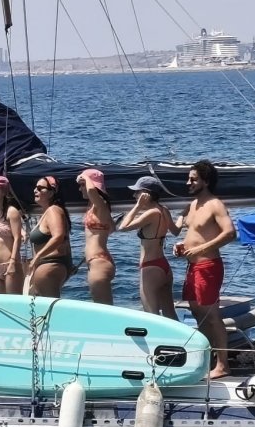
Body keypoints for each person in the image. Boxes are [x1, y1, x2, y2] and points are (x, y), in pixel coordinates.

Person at [174, 159, 236, 379]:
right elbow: (196, 233)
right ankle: (206, 361)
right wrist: (182, 245)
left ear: (206, 181)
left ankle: (223, 365)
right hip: (192, 267)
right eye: (188, 178)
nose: (188, 182)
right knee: (197, 313)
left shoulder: (215, 204)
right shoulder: (193, 205)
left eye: (193, 179)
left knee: (212, 316)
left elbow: (229, 233)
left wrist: (201, 248)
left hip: (208, 266)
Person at [118, 175, 178, 319]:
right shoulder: (164, 210)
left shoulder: (151, 213)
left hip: (150, 268)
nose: (134, 195)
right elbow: (176, 231)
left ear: (146, 194)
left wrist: (137, 206)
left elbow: (123, 227)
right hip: (164, 267)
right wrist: (182, 217)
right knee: (170, 314)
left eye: (137, 192)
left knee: (152, 316)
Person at [25, 176, 73, 298]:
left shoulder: (53, 210)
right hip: (50, 265)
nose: (35, 190)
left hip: (51, 264)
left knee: (49, 310)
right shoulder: (48, 211)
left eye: (40, 188)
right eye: (35, 187)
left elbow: (58, 236)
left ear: (51, 192)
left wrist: (37, 257)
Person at [77, 169, 115, 304]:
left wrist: (85, 177)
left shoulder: (101, 205)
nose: (80, 188)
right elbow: (112, 228)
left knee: (104, 308)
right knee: (102, 306)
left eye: (82, 185)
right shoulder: (96, 207)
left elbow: (92, 191)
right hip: (96, 261)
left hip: (99, 261)